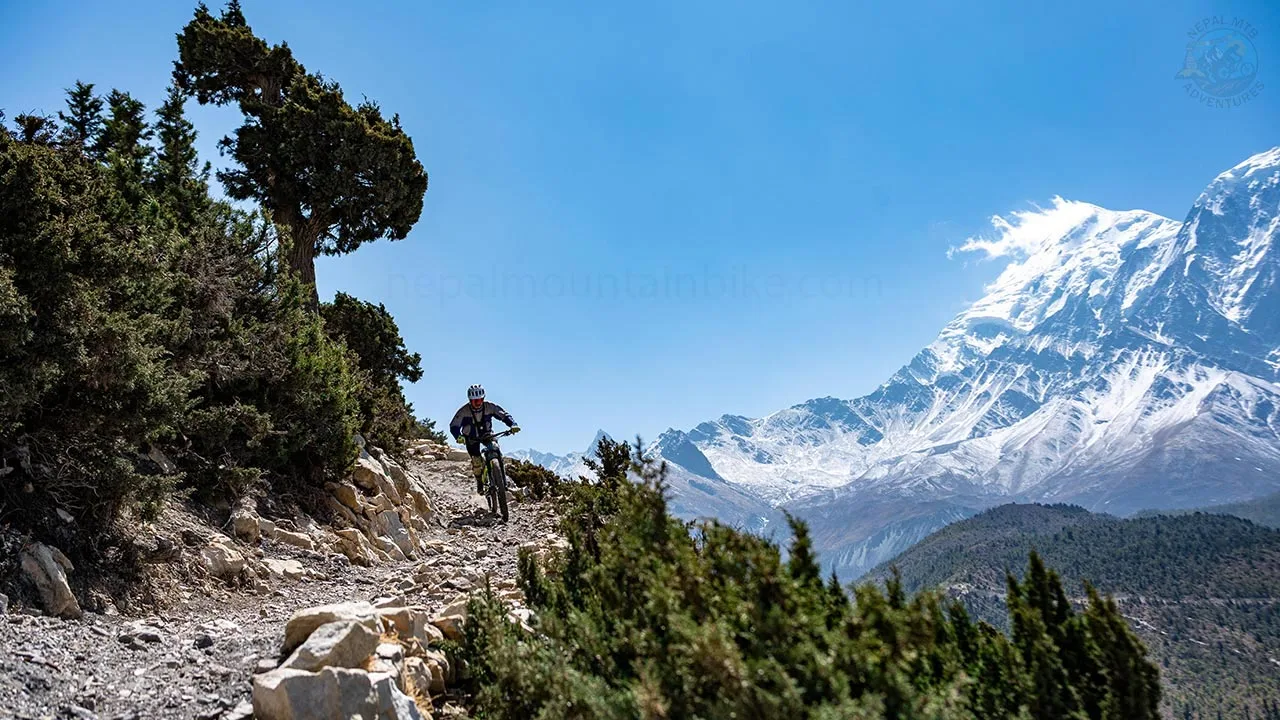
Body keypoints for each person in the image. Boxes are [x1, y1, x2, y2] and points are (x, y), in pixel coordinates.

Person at [449, 384, 520, 494]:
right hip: (471, 439)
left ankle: (503, 483)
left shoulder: (490, 407)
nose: (477, 403)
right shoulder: (463, 411)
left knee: (496, 451)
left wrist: (513, 424)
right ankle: (479, 482)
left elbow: (503, 415)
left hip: (487, 435)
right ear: (469, 400)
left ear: (483, 398)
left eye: (479, 400)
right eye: (474, 401)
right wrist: (458, 436)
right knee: (477, 462)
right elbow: (454, 426)